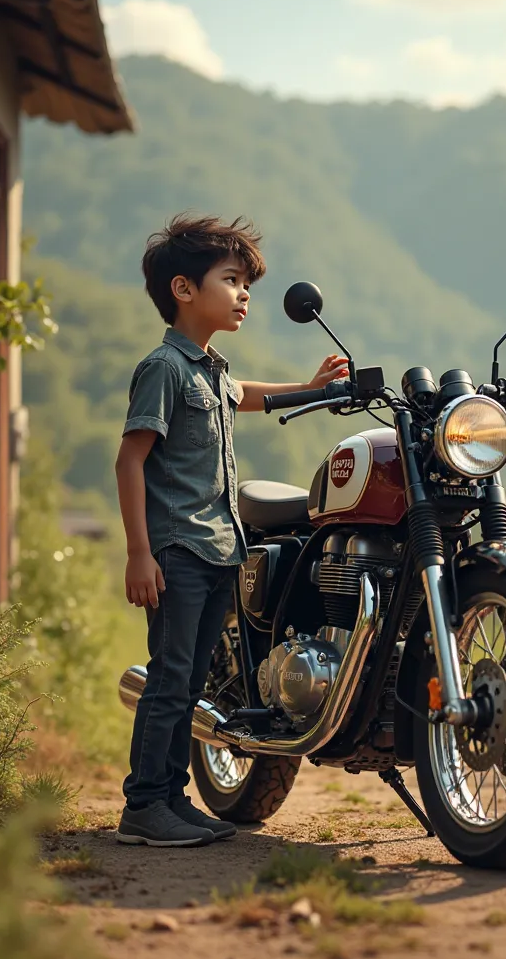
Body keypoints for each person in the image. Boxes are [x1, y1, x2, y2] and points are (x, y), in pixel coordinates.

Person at [115, 214, 348, 847]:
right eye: (233, 280)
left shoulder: (212, 371)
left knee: (194, 685)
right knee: (169, 680)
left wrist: (311, 389)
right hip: (178, 550)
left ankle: (171, 798)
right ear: (184, 289)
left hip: (222, 549)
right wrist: (140, 553)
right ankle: (142, 806)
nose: (245, 293)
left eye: (247, 283)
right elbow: (130, 459)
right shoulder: (164, 369)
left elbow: (247, 394)